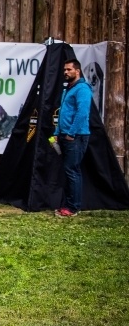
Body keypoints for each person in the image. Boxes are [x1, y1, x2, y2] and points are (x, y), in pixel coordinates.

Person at [52, 58, 92, 217]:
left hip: (76, 137)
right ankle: (68, 204)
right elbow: (63, 113)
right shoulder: (68, 89)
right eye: (64, 70)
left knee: (72, 171)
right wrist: (57, 133)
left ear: (78, 71)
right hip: (65, 136)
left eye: (69, 69)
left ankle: (73, 208)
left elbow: (82, 113)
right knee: (69, 171)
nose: (66, 72)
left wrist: (71, 134)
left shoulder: (82, 89)